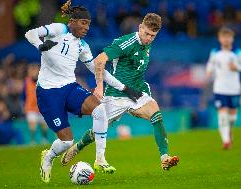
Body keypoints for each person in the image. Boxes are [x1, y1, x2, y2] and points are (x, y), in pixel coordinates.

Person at [25, 0, 141, 182]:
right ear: (72, 21)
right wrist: (39, 46)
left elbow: (99, 70)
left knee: (99, 109)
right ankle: (48, 156)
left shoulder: (82, 46)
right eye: (83, 23)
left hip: (70, 87)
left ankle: (100, 159)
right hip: (48, 92)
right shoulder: (58, 29)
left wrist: (124, 88)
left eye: (88, 24)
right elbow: (30, 33)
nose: (86, 28)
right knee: (66, 142)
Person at [61, 13, 179, 171]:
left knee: (156, 114)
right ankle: (78, 147)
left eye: (153, 36)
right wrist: (99, 86)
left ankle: (164, 157)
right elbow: (99, 60)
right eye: (147, 34)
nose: (149, 38)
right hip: (115, 95)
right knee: (98, 131)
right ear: (140, 28)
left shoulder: (147, 43)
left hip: (136, 93)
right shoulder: (126, 42)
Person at [206, 27, 240, 150]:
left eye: (228, 37)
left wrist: (235, 67)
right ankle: (226, 141)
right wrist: (209, 72)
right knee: (222, 114)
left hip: (234, 88)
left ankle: (230, 131)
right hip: (220, 88)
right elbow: (210, 65)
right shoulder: (215, 52)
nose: (226, 39)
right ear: (220, 39)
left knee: (232, 116)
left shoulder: (237, 52)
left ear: (232, 38)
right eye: (223, 37)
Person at [23, 64, 48, 144]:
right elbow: (23, 95)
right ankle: (33, 140)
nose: (33, 73)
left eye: (35, 71)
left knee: (44, 124)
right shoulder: (26, 81)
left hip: (41, 106)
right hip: (30, 107)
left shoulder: (42, 81)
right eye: (31, 71)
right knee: (32, 124)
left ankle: (44, 139)